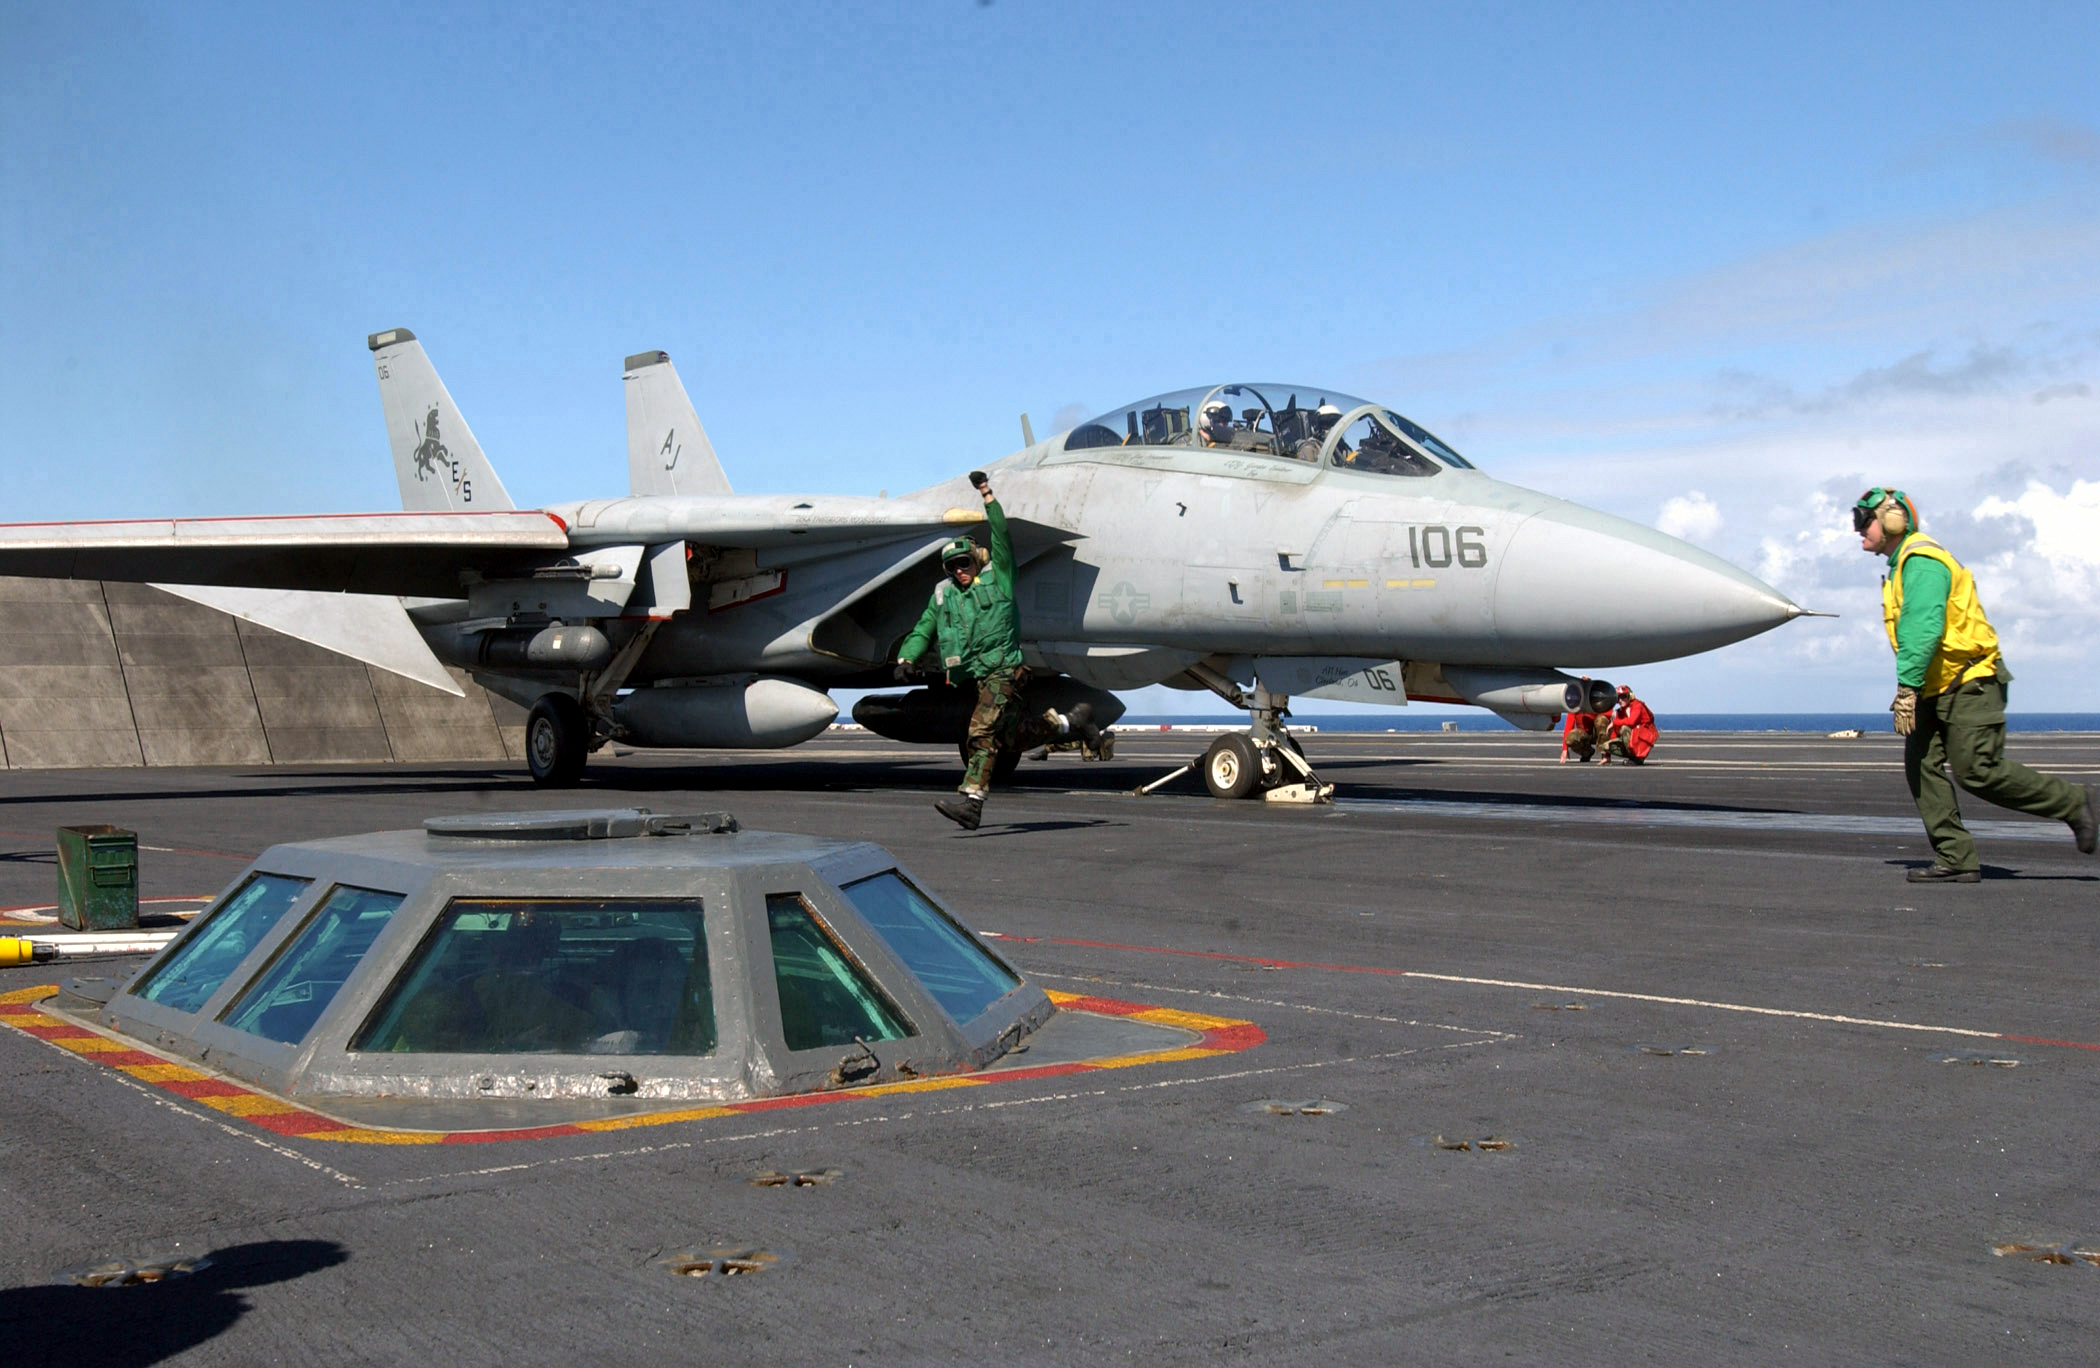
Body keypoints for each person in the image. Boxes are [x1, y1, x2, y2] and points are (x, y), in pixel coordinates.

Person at [1853, 487, 2096, 881]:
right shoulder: (1902, 564)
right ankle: (1956, 857)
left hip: (1970, 682)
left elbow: (1923, 628)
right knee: (1920, 764)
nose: (1858, 529)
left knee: (1977, 770)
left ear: (1894, 520)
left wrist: (1906, 690)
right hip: (1937, 685)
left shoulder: (1923, 561)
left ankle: (2076, 803)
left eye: (1864, 520)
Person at [896, 471, 1100, 829]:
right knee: (1011, 737)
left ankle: (972, 803)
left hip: (1006, 672)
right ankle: (1072, 722)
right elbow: (924, 627)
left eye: (964, 562)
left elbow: (1002, 537)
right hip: (980, 679)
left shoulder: (999, 576)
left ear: (976, 560)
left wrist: (987, 496)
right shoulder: (944, 597)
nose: (959, 571)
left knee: (980, 732)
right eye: (952, 566)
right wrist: (907, 657)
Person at [1604, 685, 1657, 764]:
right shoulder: (1620, 711)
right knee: (1607, 746)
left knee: (1624, 728)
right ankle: (1632, 757)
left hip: (1644, 737)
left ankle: (1638, 758)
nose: (1620, 700)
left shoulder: (1637, 706)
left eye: (1623, 697)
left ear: (1630, 696)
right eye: (1618, 698)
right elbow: (1615, 731)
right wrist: (1607, 755)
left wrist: (1614, 723)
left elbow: (1631, 722)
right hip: (1634, 736)